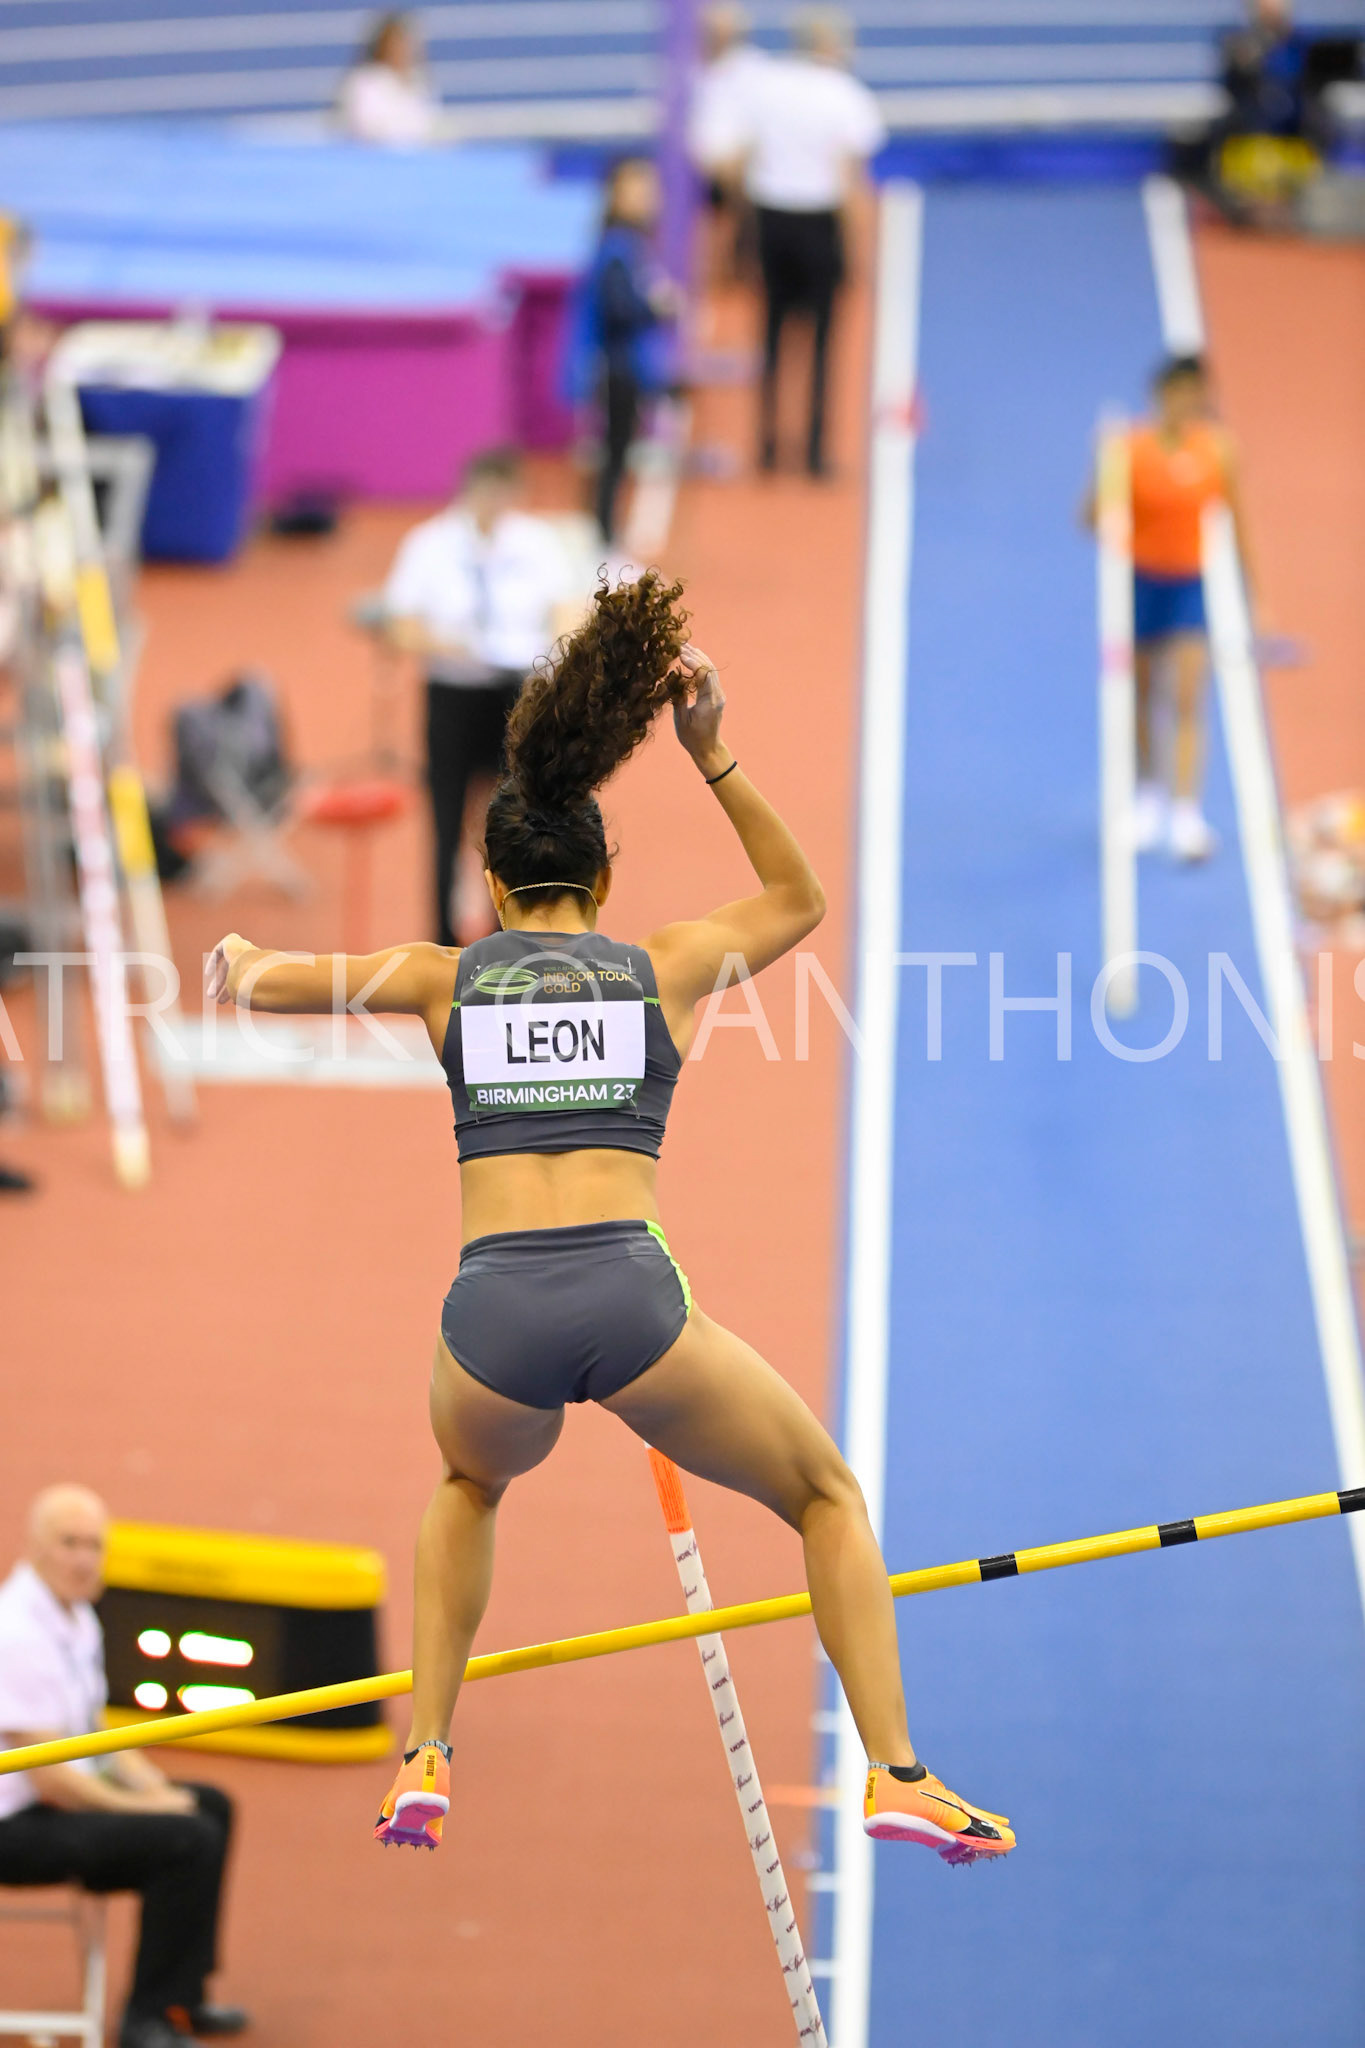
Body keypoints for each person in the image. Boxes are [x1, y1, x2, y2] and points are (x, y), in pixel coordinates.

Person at [205, 572, 1015, 1872]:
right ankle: (898, 1771)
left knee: (470, 1484)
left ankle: (427, 1749)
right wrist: (711, 752)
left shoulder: (441, 977)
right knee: (824, 1495)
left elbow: (262, 984)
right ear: (604, 873)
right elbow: (799, 899)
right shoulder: (666, 965)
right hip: (634, 1306)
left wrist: (242, 956)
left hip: (491, 1318)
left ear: (489, 881)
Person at [0, 1487, 245, 2048]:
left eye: (94, 1546)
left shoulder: (77, 1617)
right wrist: (146, 1807)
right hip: (16, 1826)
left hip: (58, 1801)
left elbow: (97, 1734)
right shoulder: (15, 1633)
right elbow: (52, 1778)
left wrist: (156, 1786)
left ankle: (184, 1995)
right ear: (35, 1546)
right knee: (188, 1839)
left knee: (211, 1806)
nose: (84, 1559)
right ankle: (146, 2019)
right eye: (69, 1543)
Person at [380, 447, 581, 947]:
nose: (495, 502)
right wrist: (451, 644)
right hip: (454, 691)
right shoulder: (429, 543)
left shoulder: (537, 542)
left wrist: (548, 659)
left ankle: (506, 934)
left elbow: (567, 615)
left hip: (518, 694)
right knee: (446, 820)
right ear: (468, 489)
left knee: (515, 819)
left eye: (504, 491)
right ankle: (442, 938)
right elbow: (399, 624)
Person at [712, 7, 883, 476]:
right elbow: (851, 180)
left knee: (771, 334)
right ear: (829, 45)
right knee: (823, 343)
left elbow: (739, 161)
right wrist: (858, 247)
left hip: (772, 219)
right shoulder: (846, 94)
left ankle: (766, 446)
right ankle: (814, 451)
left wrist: (740, 231)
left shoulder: (766, 87)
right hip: (819, 223)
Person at [1119, 355, 1255, 863]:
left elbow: (1239, 524)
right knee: (1142, 695)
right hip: (1141, 584)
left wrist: (1257, 598)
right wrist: (1103, 479)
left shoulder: (1217, 451)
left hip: (1188, 587)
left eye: (1195, 394)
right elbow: (1091, 517)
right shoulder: (1130, 450)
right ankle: (1148, 796)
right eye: (1178, 393)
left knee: (1187, 696)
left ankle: (1186, 813)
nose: (1187, 403)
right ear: (1160, 395)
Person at [563, 159, 678, 546]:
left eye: (650, 190)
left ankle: (604, 528)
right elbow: (618, 307)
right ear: (615, 196)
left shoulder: (631, 242)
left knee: (617, 451)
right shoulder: (617, 246)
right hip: (615, 367)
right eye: (637, 190)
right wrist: (657, 306)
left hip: (622, 365)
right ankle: (602, 532)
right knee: (612, 453)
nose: (648, 198)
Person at [687, 6, 770, 281]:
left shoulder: (755, 69)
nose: (719, 36)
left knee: (742, 181)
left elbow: (763, 123)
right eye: (713, 31)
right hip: (697, 166)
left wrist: (737, 159)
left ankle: (740, 259)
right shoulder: (688, 70)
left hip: (741, 163)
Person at [338, 11, 441, 146]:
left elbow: (429, 123)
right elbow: (366, 128)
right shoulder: (364, 81)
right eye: (395, 44)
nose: (401, 50)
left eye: (405, 44)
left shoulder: (420, 80)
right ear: (382, 46)